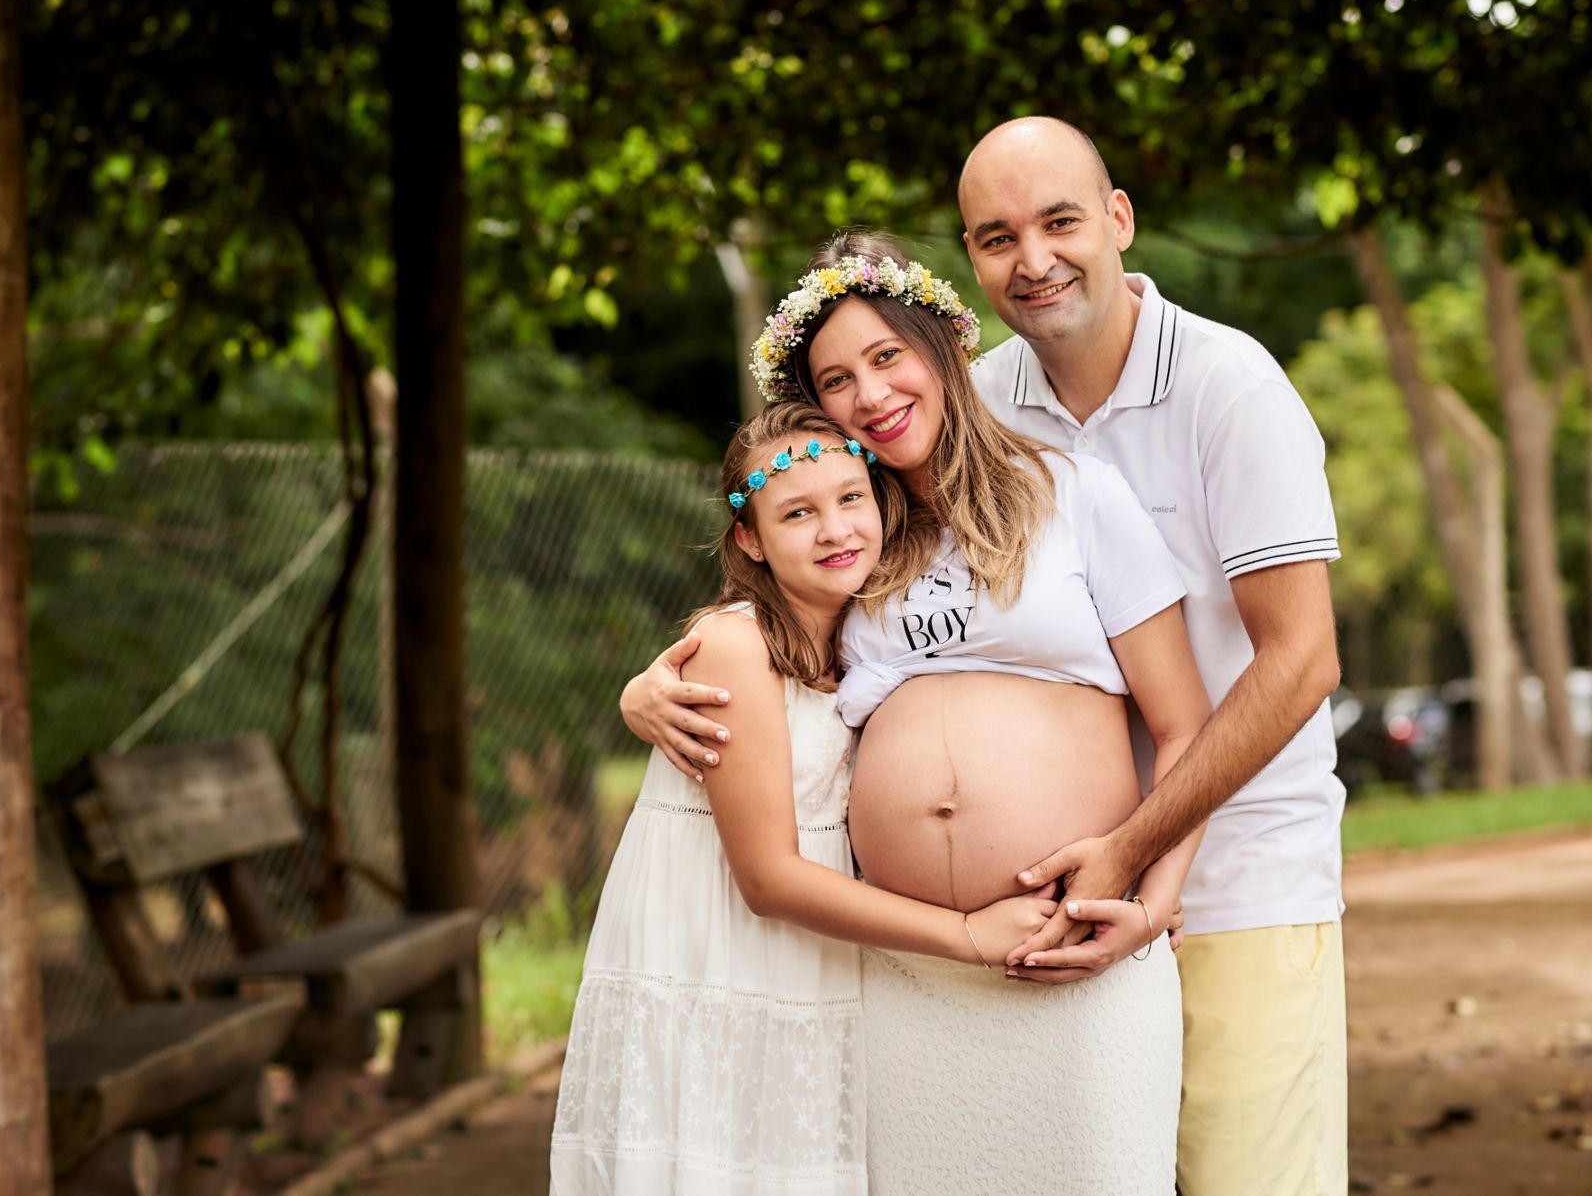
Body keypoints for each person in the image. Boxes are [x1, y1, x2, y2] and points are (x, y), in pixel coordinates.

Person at [627, 118, 1349, 1196]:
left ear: (1119, 218)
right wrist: (653, 683)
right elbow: (774, 634)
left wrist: (1143, 872)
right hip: (925, 961)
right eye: (998, 235)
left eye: (1059, 221)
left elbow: (1293, 666)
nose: (871, 392)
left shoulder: (1217, 391)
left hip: (1216, 872)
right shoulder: (908, 468)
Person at [551, 401, 1059, 1196]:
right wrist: (968, 934)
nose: (834, 531)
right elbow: (767, 879)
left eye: (850, 499)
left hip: (805, 972)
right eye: (798, 513)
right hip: (720, 968)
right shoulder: (735, 644)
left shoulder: (868, 633)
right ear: (749, 538)